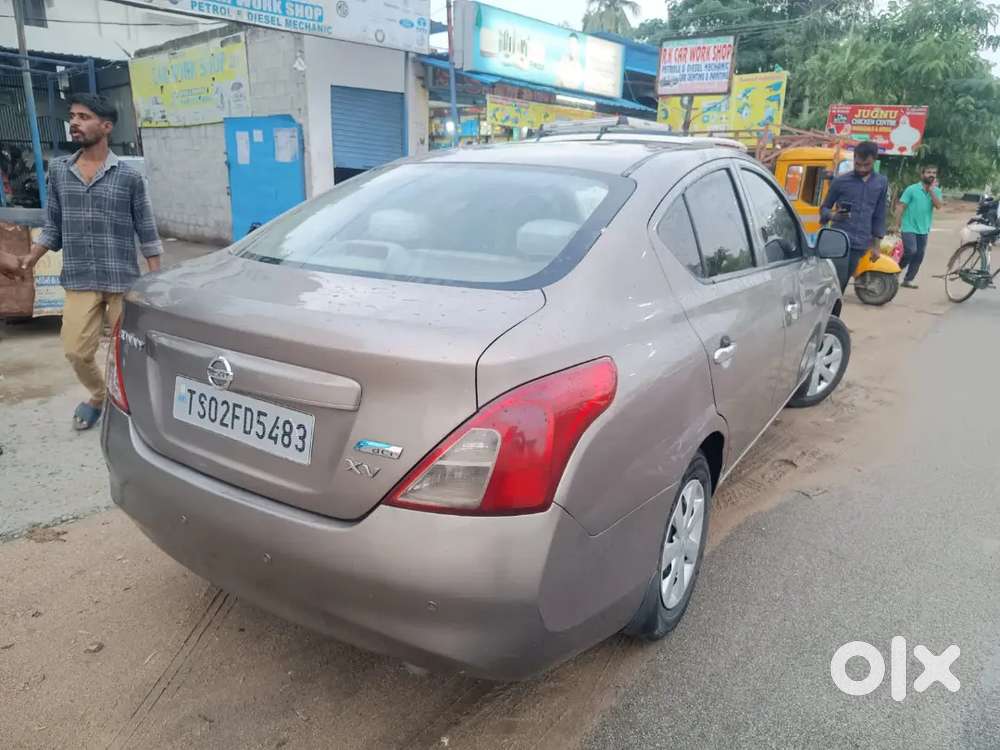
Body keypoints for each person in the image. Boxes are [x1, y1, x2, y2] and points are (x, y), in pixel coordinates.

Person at [20, 93, 162, 430]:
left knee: (129, 354)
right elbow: (53, 225)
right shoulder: (59, 171)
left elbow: (147, 231)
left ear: (106, 126)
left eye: (84, 117)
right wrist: (30, 257)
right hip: (80, 278)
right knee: (75, 351)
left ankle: (129, 405)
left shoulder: (128, 177)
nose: (75, 123)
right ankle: (98, 394)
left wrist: (156, 283)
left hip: (122, 281)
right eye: (73, 116)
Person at [821, 140, 889, 291]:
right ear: (854, 158)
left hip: (861, 242)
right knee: (838, 282)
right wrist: (833, 216)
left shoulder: (881, 183)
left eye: (867, 165)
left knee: (844, 284)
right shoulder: (840, 182)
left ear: (874, 161)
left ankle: (834, 311)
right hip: (839, 241)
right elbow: (824, 209)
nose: (862, 168)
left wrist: (876, 246)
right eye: (858, 164)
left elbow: (879, 214)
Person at [896, 165, 943, 289]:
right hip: (908, 226)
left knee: (919, 255)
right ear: (922, 175)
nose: (931, 174)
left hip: (924, 229)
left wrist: (932, 191)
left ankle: (908, 280)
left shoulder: (936, 191)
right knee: (911, 250)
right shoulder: (912, 189)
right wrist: (896, 224)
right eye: (928, 172)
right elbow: (901, 206)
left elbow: (938, 206)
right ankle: (895, 272)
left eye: (934, 172)